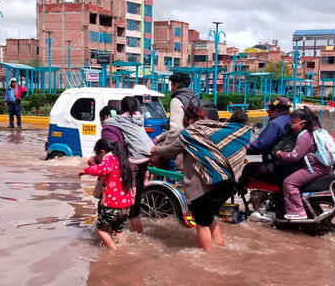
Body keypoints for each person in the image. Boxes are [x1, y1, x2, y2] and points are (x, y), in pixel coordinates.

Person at [152, 105, 251, 250]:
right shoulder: (217, 128)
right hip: (228, 183)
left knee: (201, 223)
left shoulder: (190, 133)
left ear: (189, 120)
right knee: (210, 217)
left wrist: (155, 150)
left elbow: (170, 151)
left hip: (206, 187)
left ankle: (208, 258)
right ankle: (219, 247)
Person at [103, 97, 154, 233]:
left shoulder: (114, 124)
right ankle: (138, 235)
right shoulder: (139, 119)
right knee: (135, 209)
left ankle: (114, 236)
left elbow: (113, 148)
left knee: (126, 206)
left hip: (133, 162)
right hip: (146, 156)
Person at [275, 107, 332, 219]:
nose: (292, 126)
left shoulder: (305, 135)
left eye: (293, 123)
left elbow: (295, 156)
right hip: (325, 167)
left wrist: (280, 154)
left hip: (314, 169)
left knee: (288, 183)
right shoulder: (318, 131)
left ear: (303, 122)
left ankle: (297, 212)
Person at [79, 138, 133, 250]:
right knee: (118, 231)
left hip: (113, 205)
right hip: (126, 206)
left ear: (102, 152)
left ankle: (115, 252)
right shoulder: (121, 159)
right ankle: (125, 249)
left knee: (101, 229)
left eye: (98, 155)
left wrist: (86, 171)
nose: (99, 158)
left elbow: (102, 169)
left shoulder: (109, 158)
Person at [238, 96, 296, 188]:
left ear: (276, 111)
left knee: (249, 168)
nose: (268, 112)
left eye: (269, 109)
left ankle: (240, 189)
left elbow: (261, 145)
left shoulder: (276, 123)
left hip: (280, 165)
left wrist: (240, 148)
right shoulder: (292, 119)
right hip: (292, 164)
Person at [154, 72, 199, 145]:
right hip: (194, 140)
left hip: (183, 143)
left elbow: (176, 129)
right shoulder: (194, 98)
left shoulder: (177, 100)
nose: (171, 88)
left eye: (171, 85)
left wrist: (164, 146)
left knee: (154, 152)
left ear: (176, 85)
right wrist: (159, 138)